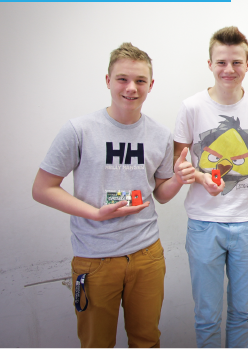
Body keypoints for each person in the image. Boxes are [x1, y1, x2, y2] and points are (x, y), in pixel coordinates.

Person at [32, 43, 194, 348]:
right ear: (108, 80)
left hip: (147, 254)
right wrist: (95, 213)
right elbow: (42, 189)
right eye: (122, 79)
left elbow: (160, 195)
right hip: (95, 258)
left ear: (151, 85)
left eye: (140, 81)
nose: (131, 88)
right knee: (97, 343)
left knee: (147, 341)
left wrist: (178, 179)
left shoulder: (160, 134)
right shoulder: (79, 130)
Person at [173, 26, 248, 349]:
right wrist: (198, 176)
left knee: (243, 312)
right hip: (204, 223)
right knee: (207, 316)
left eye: (237, 62)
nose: (229, 69)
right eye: (222, 62)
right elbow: (178, 163)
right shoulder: (191, 107)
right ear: (210, 64)